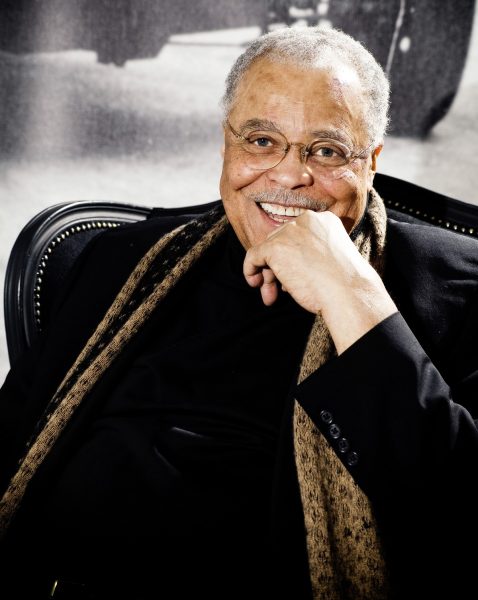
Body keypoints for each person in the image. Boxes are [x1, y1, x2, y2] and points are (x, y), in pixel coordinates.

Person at [1, 25, 478, 600]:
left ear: (371, 161)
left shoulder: (458, 290)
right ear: (225, 145)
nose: (287, 175)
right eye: (260, 140)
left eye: (326, 151)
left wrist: (351, 293)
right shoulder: (120, 261)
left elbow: (457, 514)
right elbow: (11, 447)